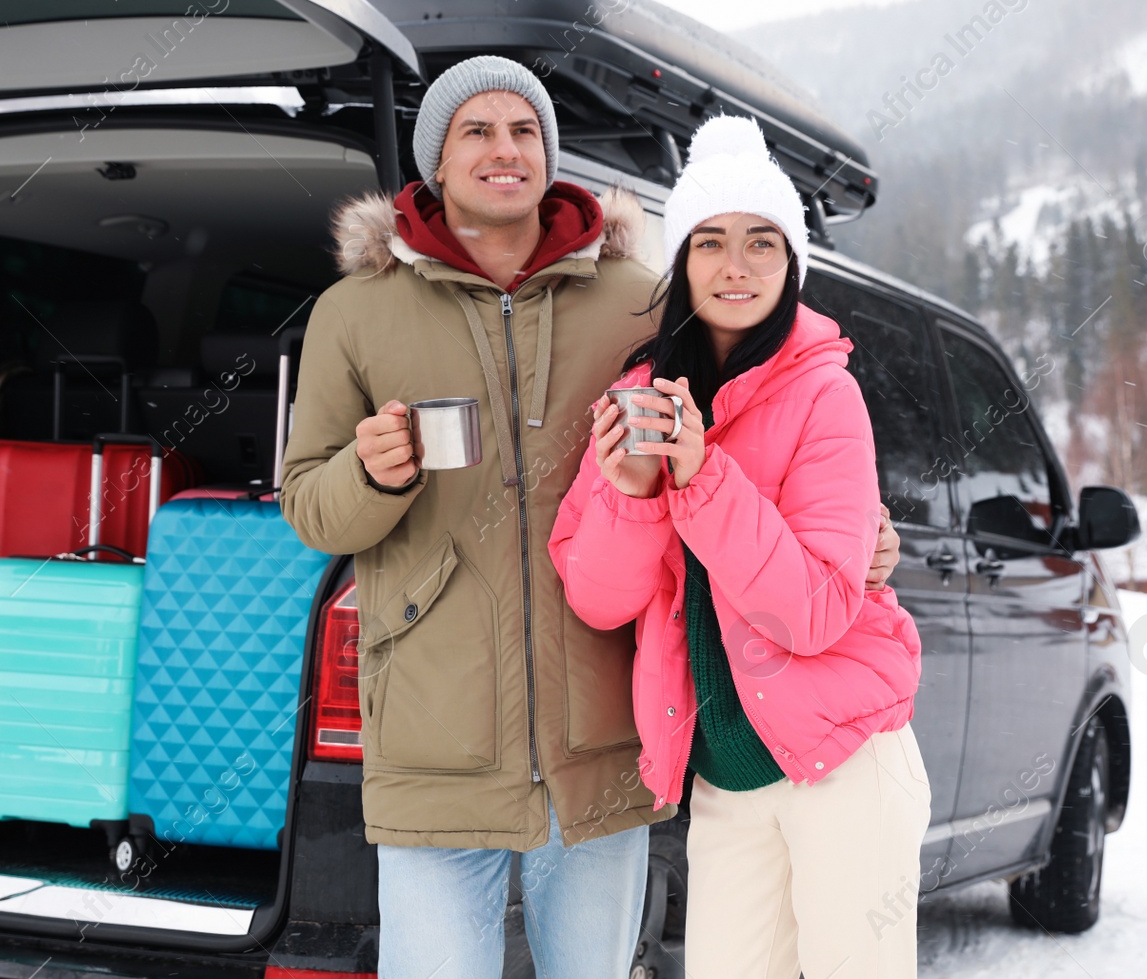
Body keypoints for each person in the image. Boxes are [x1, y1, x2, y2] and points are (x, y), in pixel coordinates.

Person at [282, 57, 904, 978]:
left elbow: (748, 409)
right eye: (478, 132)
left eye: (526, 130)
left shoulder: (635, 300)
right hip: (436, 742)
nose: (506, 150)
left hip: (605, 736)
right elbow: (307, 503)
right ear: (436, 165)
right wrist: (369, 478)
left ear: (551, 152)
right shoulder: (354, 313)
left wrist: (863, 536)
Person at [548, 114, 930, 979]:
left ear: (791, 262)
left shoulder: (827, 395)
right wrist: (636, 492)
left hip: (843, 764)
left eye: (762, 243)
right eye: (711, 242)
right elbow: (599, 597)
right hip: (726, 776)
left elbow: (817, 608)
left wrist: (703, 476)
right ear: (681, 263)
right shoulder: (639, 397)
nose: (737, 265)